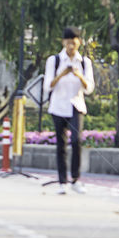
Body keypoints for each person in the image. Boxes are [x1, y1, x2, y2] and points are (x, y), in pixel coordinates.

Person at [43, 26, 95, 195]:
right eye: (68, 42)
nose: (71, 46)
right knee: (61, 145)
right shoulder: (55, 60)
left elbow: (89, 88)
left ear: (79, 42)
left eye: (74, 42)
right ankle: (62, 182)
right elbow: (47, 86)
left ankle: (76, 179)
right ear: (63, 42)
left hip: (76, 105)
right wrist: (62, 74)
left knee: (76, 141)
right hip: (58, 105)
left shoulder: (84, 62)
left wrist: (79, 76)